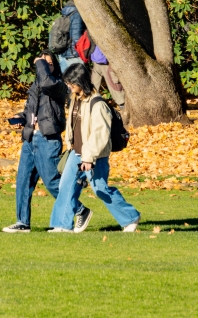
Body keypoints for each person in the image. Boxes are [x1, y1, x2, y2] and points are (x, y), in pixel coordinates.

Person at [49, 63, 140, 233]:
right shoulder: (76, 99)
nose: (69, 86)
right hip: (75, 153)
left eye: (71, 83)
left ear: (80, 81)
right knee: (65, 187)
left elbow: (100, 134)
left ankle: (130, 218)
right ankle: (61, 225)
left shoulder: (98, 104)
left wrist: (88, 158)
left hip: (95, 156)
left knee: (100, 189)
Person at [2, 54, 89, 232]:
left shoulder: (58, 85)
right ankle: (22, 222)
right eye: (43, 63)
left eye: (49, 63)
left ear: (54, 67)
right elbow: (30, 111)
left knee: (52, 182)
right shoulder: (35, 86)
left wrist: (39, 62)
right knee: (23, 182)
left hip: (47, 140)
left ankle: (80, 209)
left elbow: (46, 82)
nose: (44, 66)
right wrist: (20, 117)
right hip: (30, 139)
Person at [89, 42, 126, 109]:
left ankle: (123, 107)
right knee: (94, 86)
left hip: (101, 59)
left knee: (114, 86)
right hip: (99, 59)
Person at [55, 2, 86, 76]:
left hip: (62, 54)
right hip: (74, 55)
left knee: (67, 83)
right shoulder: (77, 15)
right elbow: (76, 36)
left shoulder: (64, 15)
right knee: (78, 83)